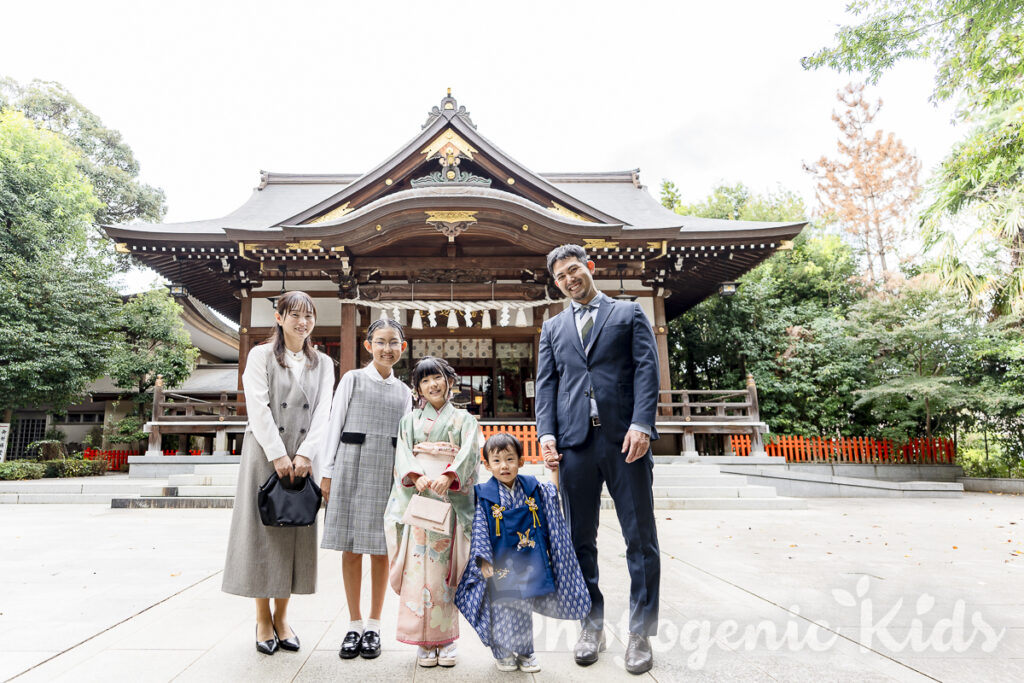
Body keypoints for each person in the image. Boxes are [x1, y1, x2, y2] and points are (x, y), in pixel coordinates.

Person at [535, 244, 661, 675]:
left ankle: (641, 632)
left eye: (574, 270)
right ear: (556, 283)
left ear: (590, 267)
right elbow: (547, 384)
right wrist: (547, 434)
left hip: (626, 439)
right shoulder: (552, 327)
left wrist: (642, 423)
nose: (569, 280)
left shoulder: (628, 313)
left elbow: (647, 368)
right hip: (575, 445)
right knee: (577, 540)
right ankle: (591, 624)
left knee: (639, 538)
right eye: (560, 277)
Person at [222, 291, 334, 655]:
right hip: (265, 453)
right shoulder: (260, 356)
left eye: (309, 315)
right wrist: (278, 455)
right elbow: (257, 407)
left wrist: (306, 453)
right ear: (279, 318)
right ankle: (262, 618)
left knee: (294, 532)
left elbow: (324, 411)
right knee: (263, 534)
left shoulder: (324, 363)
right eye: (295, 315)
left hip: (304, 459)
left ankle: (283, 617)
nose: (303, 322)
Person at [455, 432, 591, 674]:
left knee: (523, 608)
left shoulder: (531, 487)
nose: (504, 466)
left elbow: (552, 494)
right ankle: (503, 652)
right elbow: (480, 527)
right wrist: (483, 561)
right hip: (499, 561)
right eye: (497, 461)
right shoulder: (484, 494)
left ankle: (526, 651)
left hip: (529, 561)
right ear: (487, 465)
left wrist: (553, 469)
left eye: (510, 459)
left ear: (521, 461)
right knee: (501, 608)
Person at [319, 318, 412, 660]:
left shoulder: (404, 392)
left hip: (386, 471)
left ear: (403, 348)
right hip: (350, 466)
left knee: (381, 549)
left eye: (394, 342)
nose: (387, 348)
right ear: (368, 345)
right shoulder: (352, 379)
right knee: (351, 547)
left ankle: (374, 624)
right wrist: (327, 472)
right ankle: (354, 623)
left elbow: (406, 439)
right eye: (381, 342)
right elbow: (334, 424)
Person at [383, 356, 479, 668]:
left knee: (444, 571)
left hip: (448, 500)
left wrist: (449, 476)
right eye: (424, 381)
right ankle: (422, 639)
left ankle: (445, 638)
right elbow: (403, 454)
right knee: (417, 568)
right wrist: (415, 475)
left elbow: (470, 453)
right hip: (419, 498)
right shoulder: (409, 421)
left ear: (449, 381)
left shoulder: (465, 420)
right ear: (418, 389)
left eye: (437, 377)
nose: (432, 385)